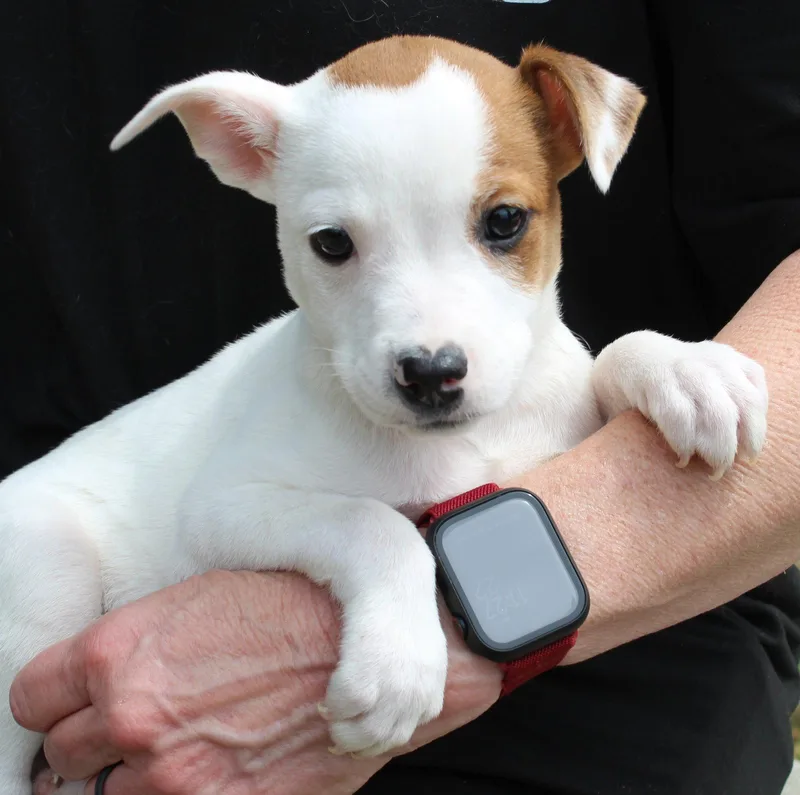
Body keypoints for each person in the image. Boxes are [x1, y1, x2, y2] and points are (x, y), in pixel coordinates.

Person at [3, 0, 800, 793]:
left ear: (572, 133)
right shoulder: (306, 361)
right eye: (337, 245)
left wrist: (641, 362)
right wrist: (379, 559)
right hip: (86, 584)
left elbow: (571, 427)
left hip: (619, 687)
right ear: (242, 149)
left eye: (499, 225)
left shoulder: (573, 376)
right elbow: (217, 513)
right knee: (35, 547)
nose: (427, 347)